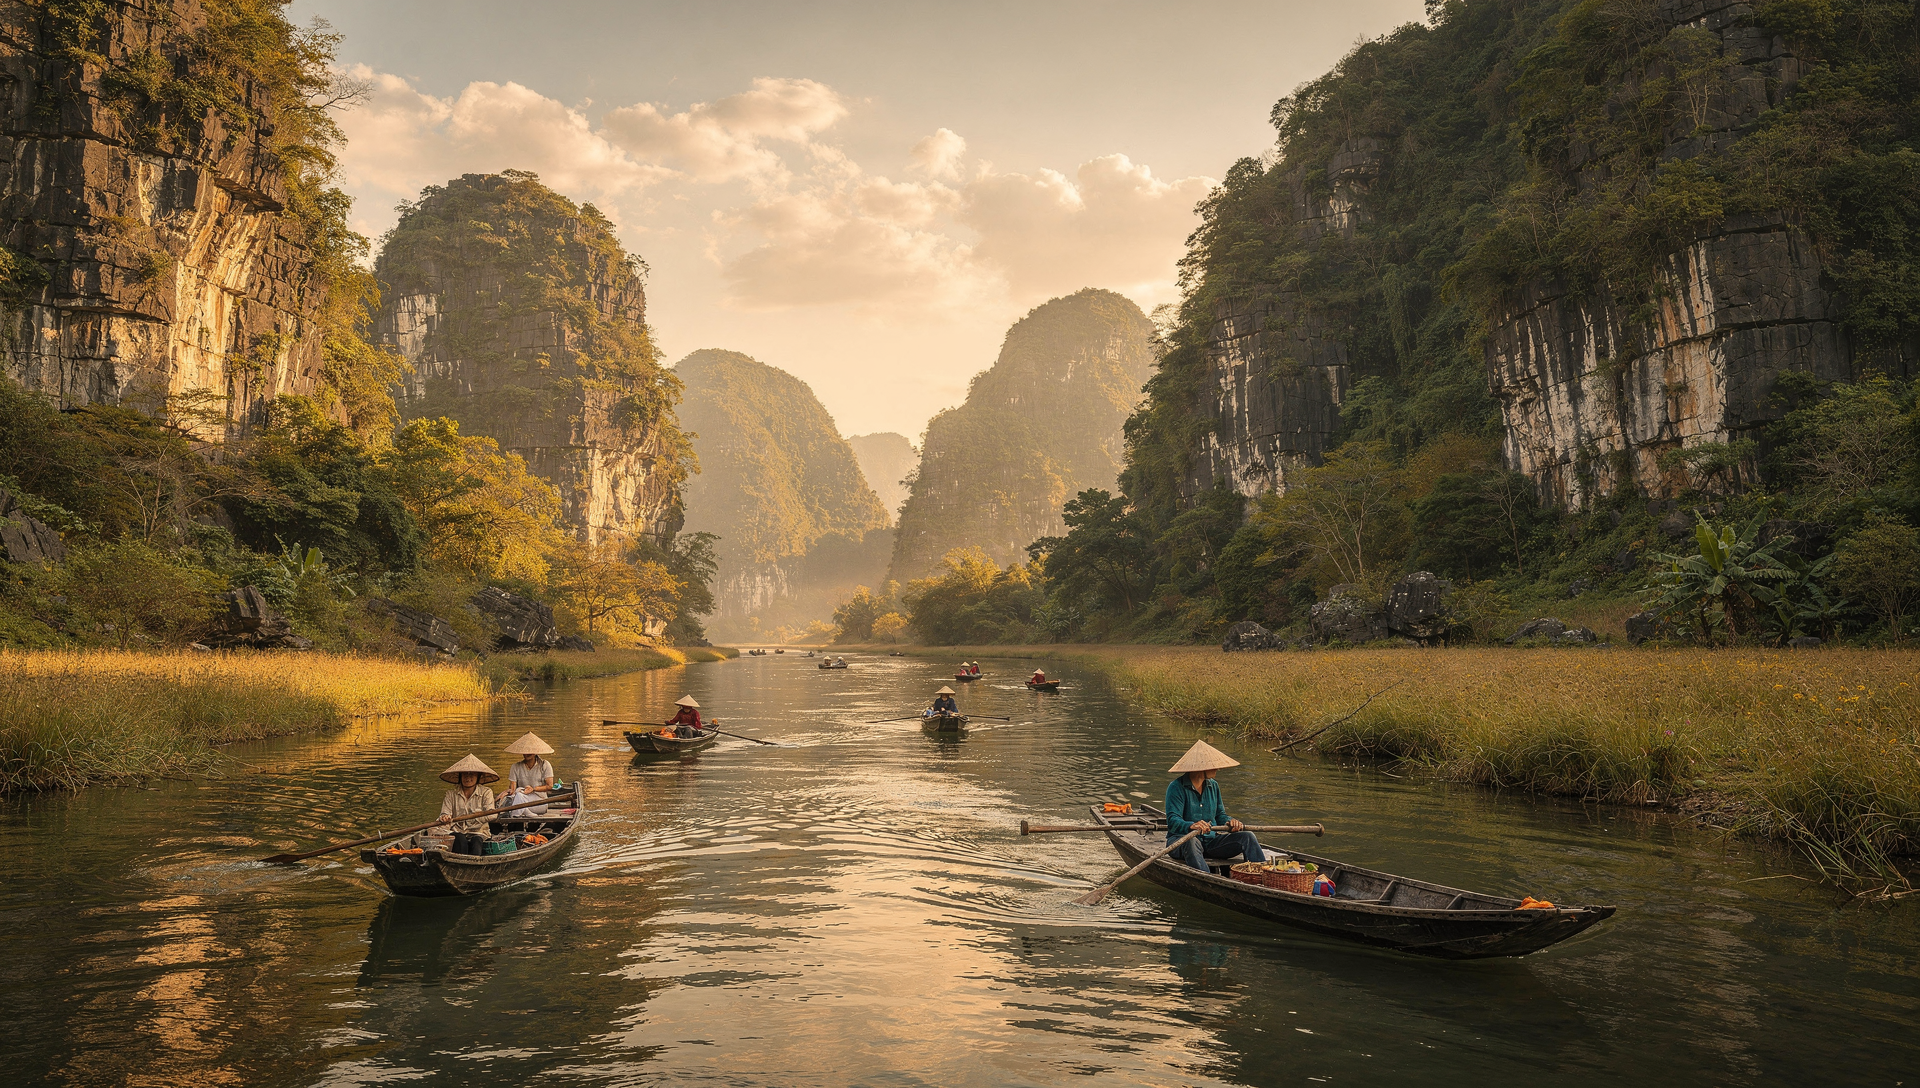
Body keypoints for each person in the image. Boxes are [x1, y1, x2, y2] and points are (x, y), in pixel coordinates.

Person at [1162, 740, 1265, 873]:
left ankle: (1261, 874)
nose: (1217, 769)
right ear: (1201, 768)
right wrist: (1191, 825)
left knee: (1247, 837)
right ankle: (1207, 878)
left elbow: (1219, 815)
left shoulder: (1213, 786)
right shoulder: (1176, 787)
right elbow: (1172, 820)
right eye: (1213, 766)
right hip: (1182, 841)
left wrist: (1230, 821)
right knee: (1191, 842)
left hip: (1211, 841)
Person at [435, 754, 499, 833]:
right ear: (460, 776)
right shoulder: (450, 794)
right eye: (464, 774)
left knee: (476, 840)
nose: (468, 778)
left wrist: (474, 818)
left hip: (478, 831)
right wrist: (444, 817)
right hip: (456, 831)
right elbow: (445, 813)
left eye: (472, 774)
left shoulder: (486, 792)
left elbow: (492, 815)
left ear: (478, 776)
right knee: (460, 839)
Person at [501, 732, 556, 814]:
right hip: (520, 799)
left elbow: (550, 786)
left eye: (530, 751)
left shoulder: (544, 765)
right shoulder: (515, 767)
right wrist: (506, 793)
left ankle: (516, 815)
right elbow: (513, 789)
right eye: (525, 751)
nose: (527, 753)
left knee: (519, 796)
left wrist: (533, 789)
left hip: (540, 802)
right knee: (518, 794)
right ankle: (525, 813)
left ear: (535, 752)